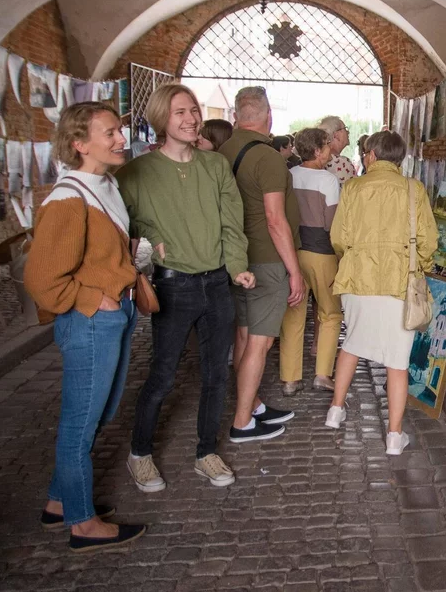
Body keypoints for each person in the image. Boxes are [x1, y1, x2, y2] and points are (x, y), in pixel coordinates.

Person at [117, 84, 256, 492]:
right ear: (162, 118)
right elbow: (117, 222)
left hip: (216, 284)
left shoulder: (214, 166)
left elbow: (232, 220)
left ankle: (205, 452)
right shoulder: (137, 172)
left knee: (216, 374)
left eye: (193, 110)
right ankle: (139, 453)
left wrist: (238, 267)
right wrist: (148, 239)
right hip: (173, 285)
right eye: (180, 112)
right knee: (162, 374)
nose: (191, 118)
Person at [25, 101, 146, 552]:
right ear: (79, 143)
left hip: (113, 314)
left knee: (99, 415)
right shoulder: (68, 198)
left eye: (119, 130)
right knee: (80, 423)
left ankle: (59, 503)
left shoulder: (103, 184)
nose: (120, 139)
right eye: (110, 133)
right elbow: (42, 280)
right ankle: (82, 523)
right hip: (91, 320)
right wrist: (94, 297)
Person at [327, 130, 437, 456]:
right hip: (399, 284)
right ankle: (394, 436)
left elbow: (338, 237)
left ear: (372, 154)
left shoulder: (352, 187)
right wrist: (422, 266)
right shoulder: (414, 190)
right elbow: (429, 242)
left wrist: (357, 256)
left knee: (352, 343)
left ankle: (335, 410)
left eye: (364, 153)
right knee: (397, 363)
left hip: (358, 280)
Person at [218, 86, 304, 442]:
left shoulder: (224, 151)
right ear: (268, 116)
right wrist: (294, 270)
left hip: (236, 257)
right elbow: (274, 218)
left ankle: (252, 403)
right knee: (260, 342)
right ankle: (242, 422)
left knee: (243, 335)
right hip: (267, 259)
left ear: (236, 116)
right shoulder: (267, 157)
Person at [278, 128, 342, 396]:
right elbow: (332, 224)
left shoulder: (290, 175)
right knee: (330, 314)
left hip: (293, 250)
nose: (330, 150)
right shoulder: (328, 179)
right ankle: (322, 374)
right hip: (321, 253)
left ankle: (290, 379)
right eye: (327, 146)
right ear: (317, 151)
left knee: (293, 314)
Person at [316, 116, 357, 184]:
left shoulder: (316, 159)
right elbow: (355, 190)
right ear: (336, 135)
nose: (348, 132)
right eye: (345, 129)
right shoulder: (343, 163)